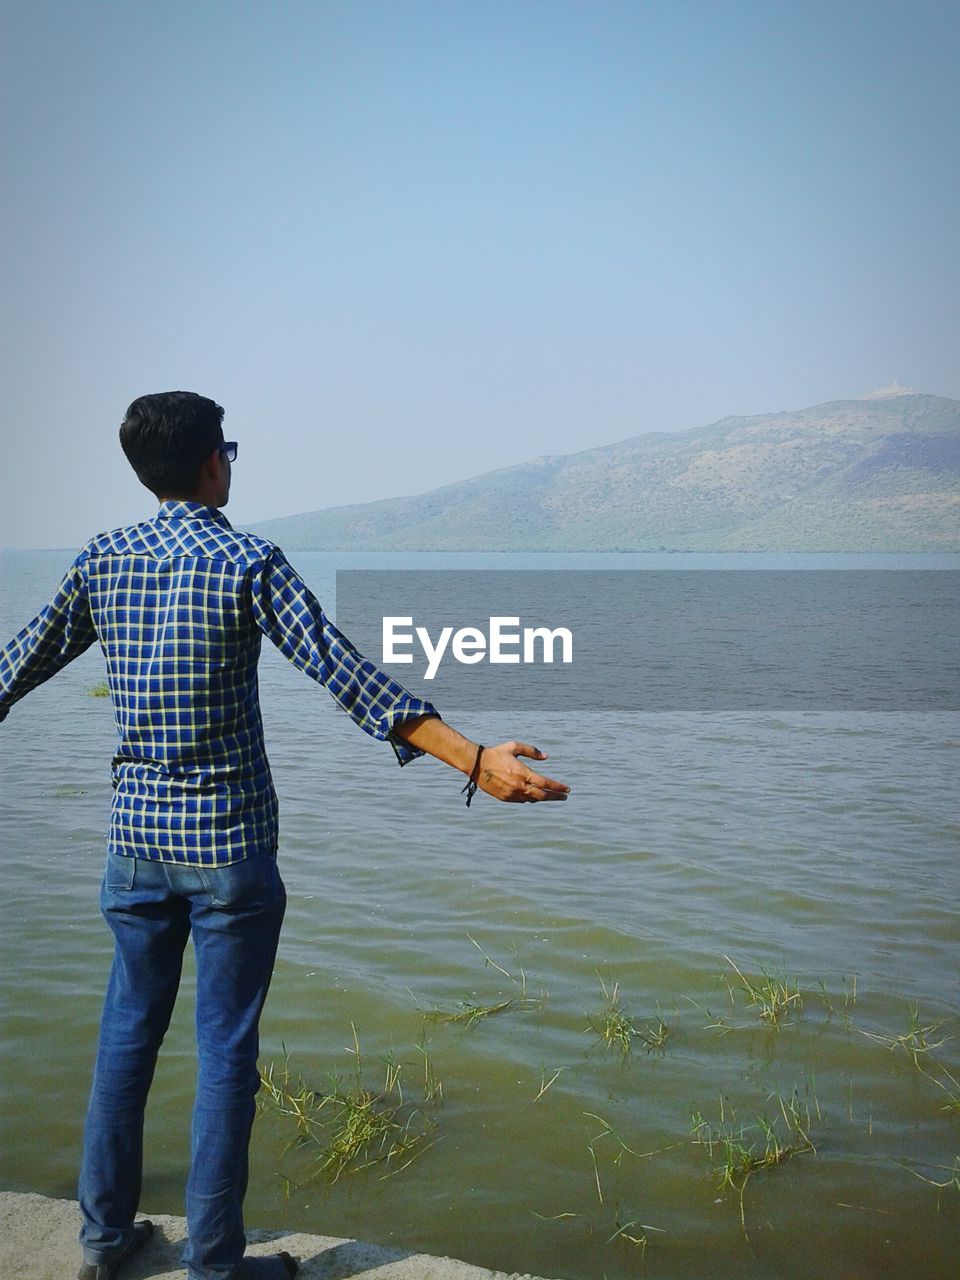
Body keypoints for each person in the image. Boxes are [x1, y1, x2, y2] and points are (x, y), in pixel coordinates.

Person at [0, 391, 570, 1280]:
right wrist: (474, 760)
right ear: (209, 464)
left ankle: (106, 1245)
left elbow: (17, 663)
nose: (231, 459)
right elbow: (353, 680)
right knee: (225, 1053)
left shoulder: (101, 560)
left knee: (125, 1039)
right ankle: (216, 1266)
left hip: (135, 847)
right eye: (228, 447)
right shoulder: (248, 561)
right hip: (229, 852)